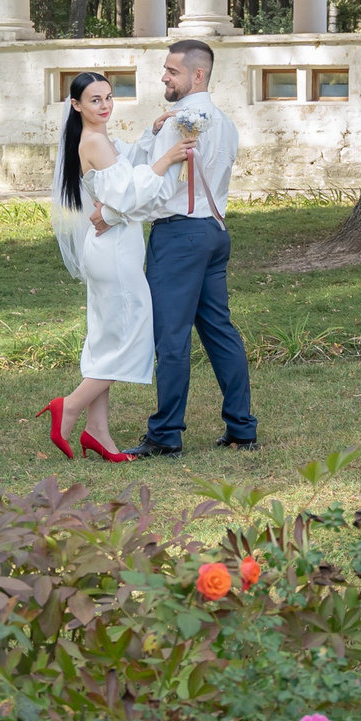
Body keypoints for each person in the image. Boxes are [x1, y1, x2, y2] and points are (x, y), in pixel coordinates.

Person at [41, 71, 197, 462]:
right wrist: (167, 158)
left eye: (109, 97)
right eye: (95, 100)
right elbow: (129, 195)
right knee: (130, 336)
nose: (105, 105)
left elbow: (126, 168)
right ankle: (69, 407)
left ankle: (98, 432)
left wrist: (151, 134)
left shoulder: (101, 139)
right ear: (76, 105)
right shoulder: (93, 141)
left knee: (107, 338)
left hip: (110, 247)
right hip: (114, 254)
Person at [122, 40, 256, 456]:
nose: (164, 76)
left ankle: (166, 435)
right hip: (214, 232)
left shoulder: (180, 124)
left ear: (197, 75)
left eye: (172, 71)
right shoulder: (226, 124)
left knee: (172, 338)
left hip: (179, 237)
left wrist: (117, 213)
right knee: (220, 331)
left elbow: (157, 190)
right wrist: (152, 133)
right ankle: (242, 428)